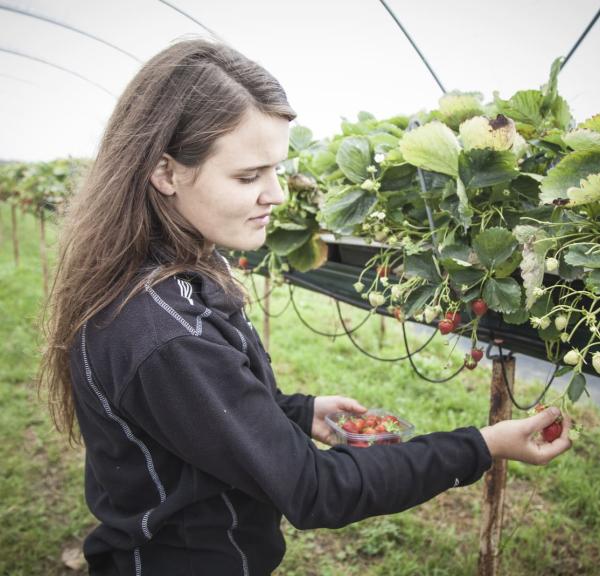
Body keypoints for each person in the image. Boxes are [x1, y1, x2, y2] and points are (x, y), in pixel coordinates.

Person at [40, 39, 572, 576]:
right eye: (248, 176)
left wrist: (295, 411)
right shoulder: (164, 332)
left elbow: (200, 415)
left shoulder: (177, 270)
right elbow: (315, 490)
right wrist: (481, 445)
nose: (275, 193)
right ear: (166, 172)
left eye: (277, 169)